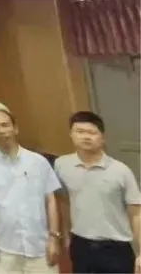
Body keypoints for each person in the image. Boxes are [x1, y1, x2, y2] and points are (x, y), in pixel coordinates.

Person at [0, 109, 61, 274]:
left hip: (39, 245)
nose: (1, 130)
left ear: (15, 128)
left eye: (5, 125)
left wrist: (54, 238)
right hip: (4, 246)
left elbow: (50, 199)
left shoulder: (38, 161)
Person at [55, 110, 141, 274]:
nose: (86, 137)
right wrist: (65, 234)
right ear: (71, 134)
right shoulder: (62, 165)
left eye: (92, 133)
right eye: (80, 132)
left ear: (102, 137)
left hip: (115, 247)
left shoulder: (121, 171)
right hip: (80, 244)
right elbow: (63, 201)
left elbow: (136, 214)